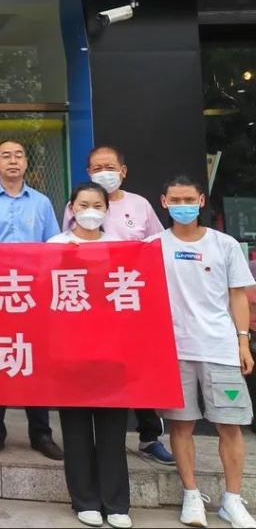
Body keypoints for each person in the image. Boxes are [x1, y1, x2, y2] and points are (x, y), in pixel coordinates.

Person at [154, 176, 256, 529]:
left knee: (230, 425)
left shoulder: (224, 244)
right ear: (164, 202)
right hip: (173, 349)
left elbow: (237, 295)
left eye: (189, 199)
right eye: (175, 199)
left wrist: (242, 342)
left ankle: (232, 500)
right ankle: (191, 495)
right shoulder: (152, 245)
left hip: (219, 347)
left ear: (200, 201)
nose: (182, 205)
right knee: (181, 424)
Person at [62, 145, 173, 466]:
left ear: (123, 171)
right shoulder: (76, 206)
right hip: (88, 302)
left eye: (109, 167)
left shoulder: (140, 205)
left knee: (138, 365)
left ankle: (149, 435)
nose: (104, 173)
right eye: (97, 168)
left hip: (130, 299)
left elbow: (157, 245)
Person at [0, 138, 63, 461]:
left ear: (26, 163)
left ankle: (41, 433)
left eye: (19, 155)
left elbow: (54, 247)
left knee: (36, 361)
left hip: (33, 294)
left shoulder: (42, 203)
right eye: (6, 156)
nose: (13, 161)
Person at [48, 183, 132, 529]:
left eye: (97, 205)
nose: (90, 211)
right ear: (71, 208)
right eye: (83, 205)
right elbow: (41, 294)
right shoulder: (55, 245)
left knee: (112, 429)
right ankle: (84, 500)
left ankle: (116, 502)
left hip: (112, 349)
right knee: (76, 428)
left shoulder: (122, 247)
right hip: (70, 350)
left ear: (107, 209)